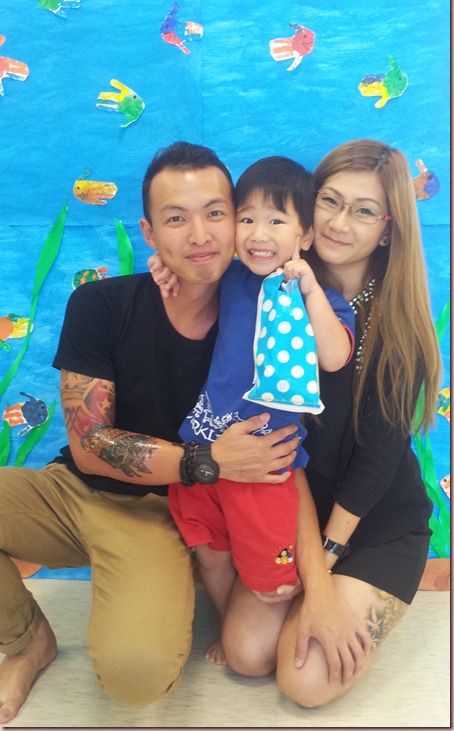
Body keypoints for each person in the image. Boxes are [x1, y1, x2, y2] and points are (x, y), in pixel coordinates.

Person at [0, 142, 302, 724]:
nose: (200, 235)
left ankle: (157, 590)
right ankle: (26, 641)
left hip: (162, 517)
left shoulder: (270, 319)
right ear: (149, 232)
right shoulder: (100, 303)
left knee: (135, 677)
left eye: (215, 213)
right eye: (176, 218)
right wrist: (207, 459)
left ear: (238, 221)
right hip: (71, 491)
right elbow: (91, 445)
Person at [218, 139, 441, 706]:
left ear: (387, 230)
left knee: (305, 680)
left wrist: (320, 579)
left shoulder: (399, 324)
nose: (340, 223)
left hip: (375, 518)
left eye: (364, 211)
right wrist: (167, 275)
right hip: (292, 505)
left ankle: (335, 590)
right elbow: (207, 271)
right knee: (246, 654)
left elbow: (376, 464)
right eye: (330, 201)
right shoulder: (270, 283)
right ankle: (311, 591)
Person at [149, 155, 355, 666]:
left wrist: (310, 291)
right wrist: (164, 269)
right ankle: (227, 623)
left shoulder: (325, 299)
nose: (259, 234)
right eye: (246, 218)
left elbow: (334, 356)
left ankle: (286, 611)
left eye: (276, 221)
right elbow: (193, 278)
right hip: (203, 449)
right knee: (211, 556)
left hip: (265, 467)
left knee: (270, 582)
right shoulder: (234, 278)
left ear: (305, 235)